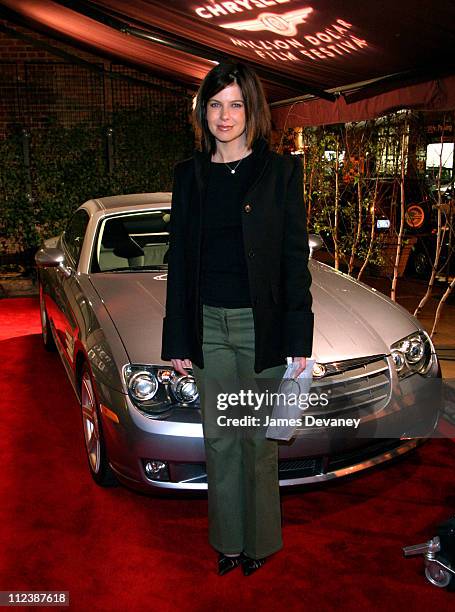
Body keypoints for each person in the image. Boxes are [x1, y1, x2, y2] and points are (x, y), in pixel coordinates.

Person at [161, 61, 314, 576]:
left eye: (235, 104)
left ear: (252, 111)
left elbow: (296, 261)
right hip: (207, 328)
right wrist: (178, 337)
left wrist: (299, 337)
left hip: (260, 328)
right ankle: (228, 543)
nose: (224, 116)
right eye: (215, 104)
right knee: (221, 439)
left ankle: (261, 545)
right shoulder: (189, 176)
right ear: (203, 111)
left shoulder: (281, 173)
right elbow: (179, 261)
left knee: (258, 443)